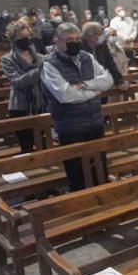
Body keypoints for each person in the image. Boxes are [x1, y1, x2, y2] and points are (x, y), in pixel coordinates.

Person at [41, 23, 113, 190]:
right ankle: (82, 209)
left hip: (94, 122)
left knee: (100, 170)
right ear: (57, 41)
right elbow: (65, 96)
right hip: (70, 126)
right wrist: (94, 91)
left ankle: (104, 201)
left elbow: (107, 80)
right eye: (68, 40)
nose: (74, 42)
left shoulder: (87, 57)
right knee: (77, 174)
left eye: (76, 39)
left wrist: (83, 85)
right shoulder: (49, 65)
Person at [0, 20, 46, 153]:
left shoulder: (39, 57)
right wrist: (40, 71)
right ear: (13, 40)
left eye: (28, 37)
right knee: (26, 145)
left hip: (40, 101)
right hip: (20, 104)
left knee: (43, 143)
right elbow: (17, 81)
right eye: (22, 38)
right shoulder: (7, 59)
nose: (26, 40)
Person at [81, 21, 127, 89]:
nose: (102, 36)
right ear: (91, 36)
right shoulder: (80, 47)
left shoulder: (102, 44)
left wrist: (119, 81)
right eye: (100, 34)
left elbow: (110, 63)